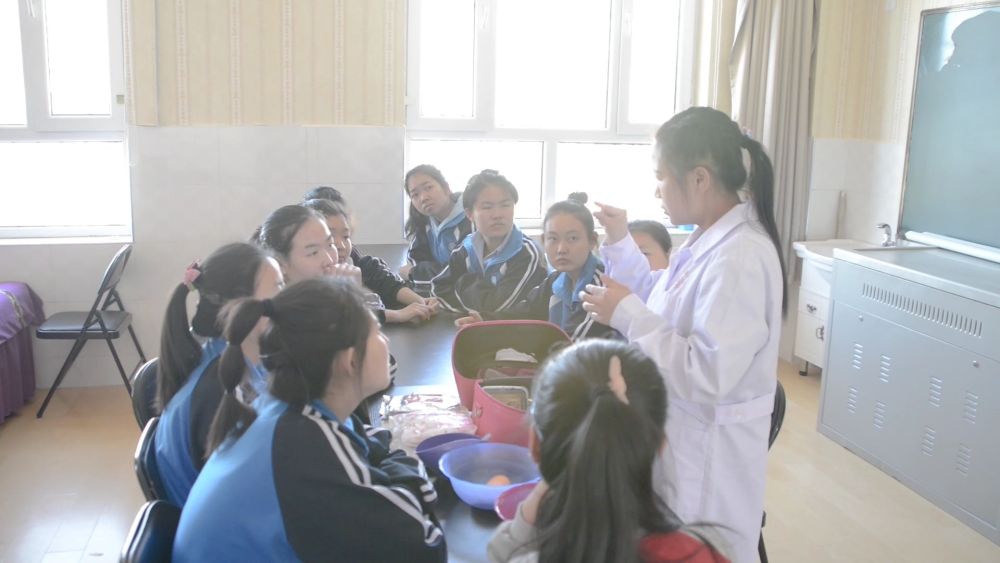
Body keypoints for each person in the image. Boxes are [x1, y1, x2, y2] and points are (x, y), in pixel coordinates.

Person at [581, 107, 786, 563]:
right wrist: (620, 244)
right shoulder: (709, 240)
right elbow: (663, 299)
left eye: (661, 178)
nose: (656, 191)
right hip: (679, 443)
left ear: (699, 179)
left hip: (707, 465)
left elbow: (707, 373)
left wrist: (626, 315)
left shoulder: (740, 257)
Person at [173, 278, 447, 562]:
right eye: (377, 332)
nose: (386, 341)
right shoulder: (306, 445)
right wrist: (409, 470)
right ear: (350, 360)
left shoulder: (286, 407)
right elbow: (425, 547)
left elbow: (373, 444)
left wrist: (393, 471)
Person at [487, 339, 729, 563]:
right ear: (661, 446)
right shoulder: (707, 552)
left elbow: (500, 552)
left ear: (534, 445)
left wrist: (557, 474)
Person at [154, 242, 283, 507]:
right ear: (238, 307)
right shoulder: (222, 388)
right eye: (278, 289)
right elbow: (248, 492)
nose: (286, 300)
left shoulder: (231, 357)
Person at [456, 193, 619, 341]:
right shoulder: (557, 279)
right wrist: (484, 322)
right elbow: (526, 312)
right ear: (543, 241)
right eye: (553, 239)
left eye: (573, 238)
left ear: (592, 241)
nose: (561, 249)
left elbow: (572, 345)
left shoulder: (599, 286)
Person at [302, 194, 436, 324]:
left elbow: (380, 277)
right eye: (330, 238)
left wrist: (421, 302)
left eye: (346, 236)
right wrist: (397, 315)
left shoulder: (352, 261)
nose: (341, 245)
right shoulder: (307, 283)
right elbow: (344, 316)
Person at [431, 169, 547, 314]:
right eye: (487, 207)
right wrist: (477, 305)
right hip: (472, 325)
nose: (497, 215)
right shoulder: (467, 248)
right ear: (470, 214)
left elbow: (497, 308)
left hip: (522, 328)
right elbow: (438, 289)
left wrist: (463, 283)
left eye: (505, 205)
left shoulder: (526, 253)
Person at [401, 164, 473, 282]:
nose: (423, 198)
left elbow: (462, 272)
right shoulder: (424, 223)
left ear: (446, 188)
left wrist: (413, 272)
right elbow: (416, 258)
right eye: (415, 194)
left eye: (429, 187)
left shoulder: (471, 219)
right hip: (437, 291)